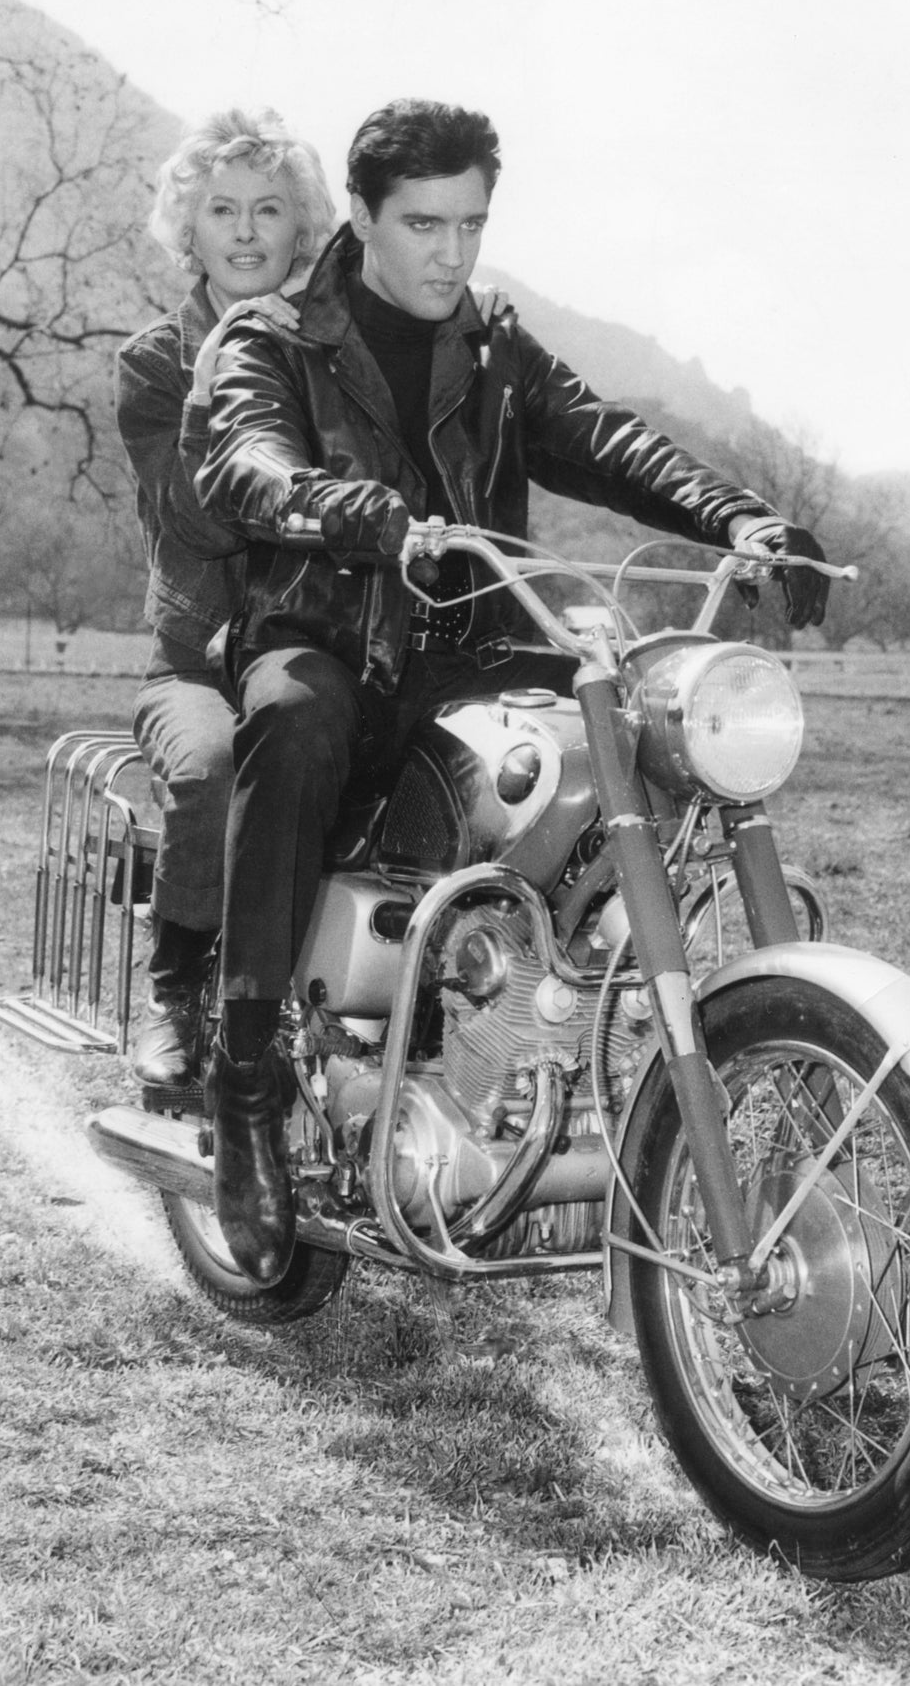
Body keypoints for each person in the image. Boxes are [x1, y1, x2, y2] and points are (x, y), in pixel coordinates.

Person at [195, 97, 830, 1284]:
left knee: (646, 711)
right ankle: (243, 1085)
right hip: (334, 637)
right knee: (290, 721)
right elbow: (241, 460)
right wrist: (346, 508)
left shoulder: (491, 343)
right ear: (364, 218)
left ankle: (561, 1023)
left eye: (472, 224)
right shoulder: (272, 337)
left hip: (476, 642)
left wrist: (741, 518)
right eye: (425, 225)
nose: (452, 253)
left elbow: (607, 438)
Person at [115, 107, 336, 1086]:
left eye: (269, 209)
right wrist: (220, 375)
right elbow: (195, 529)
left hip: (306, 646)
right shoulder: (154, 365)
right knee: (209, 762)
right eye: (222, 210)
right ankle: (172, 988)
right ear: (188, 227)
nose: (246, 232)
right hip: (196, 663)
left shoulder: (336, 361)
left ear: (302, 229)